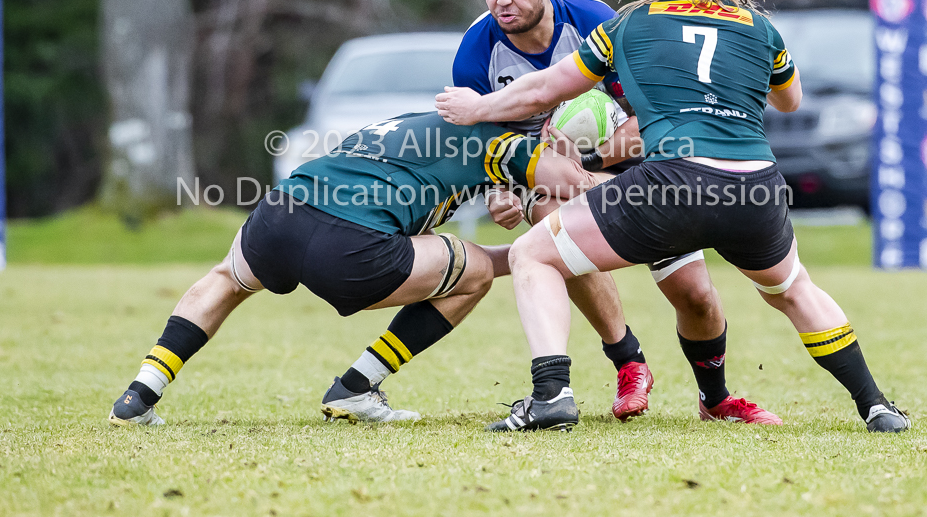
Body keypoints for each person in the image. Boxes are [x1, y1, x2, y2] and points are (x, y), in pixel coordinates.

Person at [436, 0, 911, 433]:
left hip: (672, 187)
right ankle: (875, 405)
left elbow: (548, 88)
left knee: (533, 254)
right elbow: (790, 100)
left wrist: (479, 108)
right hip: (755, 191)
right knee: (796, 290)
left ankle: (551, 395)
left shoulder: (632, 23)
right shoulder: (761, 27)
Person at [452, 0, 778, 424]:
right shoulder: (475, 52)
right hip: (545, 177)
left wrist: (586, 161)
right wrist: (500, 191)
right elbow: (488, 140)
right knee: (545, 209)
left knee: (693, 294)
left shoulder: (594, 20)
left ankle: (716, 400)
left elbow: (650, 121)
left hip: (644, 172)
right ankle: (628, 362)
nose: (502, 2)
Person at [108, 112, 605, 426]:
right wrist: (572, 169)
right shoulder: (501, 140)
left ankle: (138, 395)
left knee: (226, 280)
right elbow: (573, 185)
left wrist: (511, 195)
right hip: (350, 246)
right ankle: (355, 388)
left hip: (281, 210)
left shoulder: (417, 123)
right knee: (474, 270)